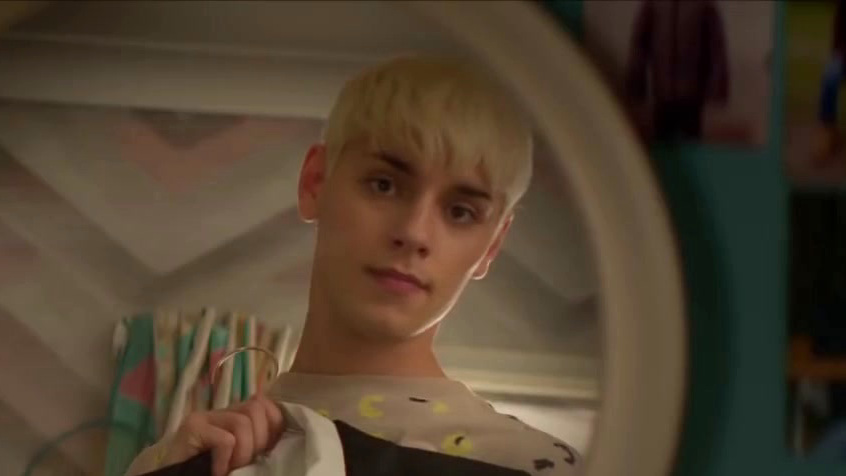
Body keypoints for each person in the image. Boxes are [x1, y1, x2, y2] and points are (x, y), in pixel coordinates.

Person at [124, 56, 582, 476]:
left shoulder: (534, 466)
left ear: (491, 246)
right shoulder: (185, 458)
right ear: (315, 182)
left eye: (460, 212)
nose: (414, 233)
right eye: (384, 185)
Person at [624, 0, 730, 143]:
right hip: (662, 95)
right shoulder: (653, 4)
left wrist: (717, 91)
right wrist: (635, 88)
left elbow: (716, 49)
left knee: (691, 143)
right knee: (663, 144)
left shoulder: (703, 5)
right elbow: (639, 46)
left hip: (692, 98)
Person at [813, 0, 846, 165]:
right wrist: (838, 53)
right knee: (830, 77)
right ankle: (828, 131)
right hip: (843, 53)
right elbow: (838, 33)